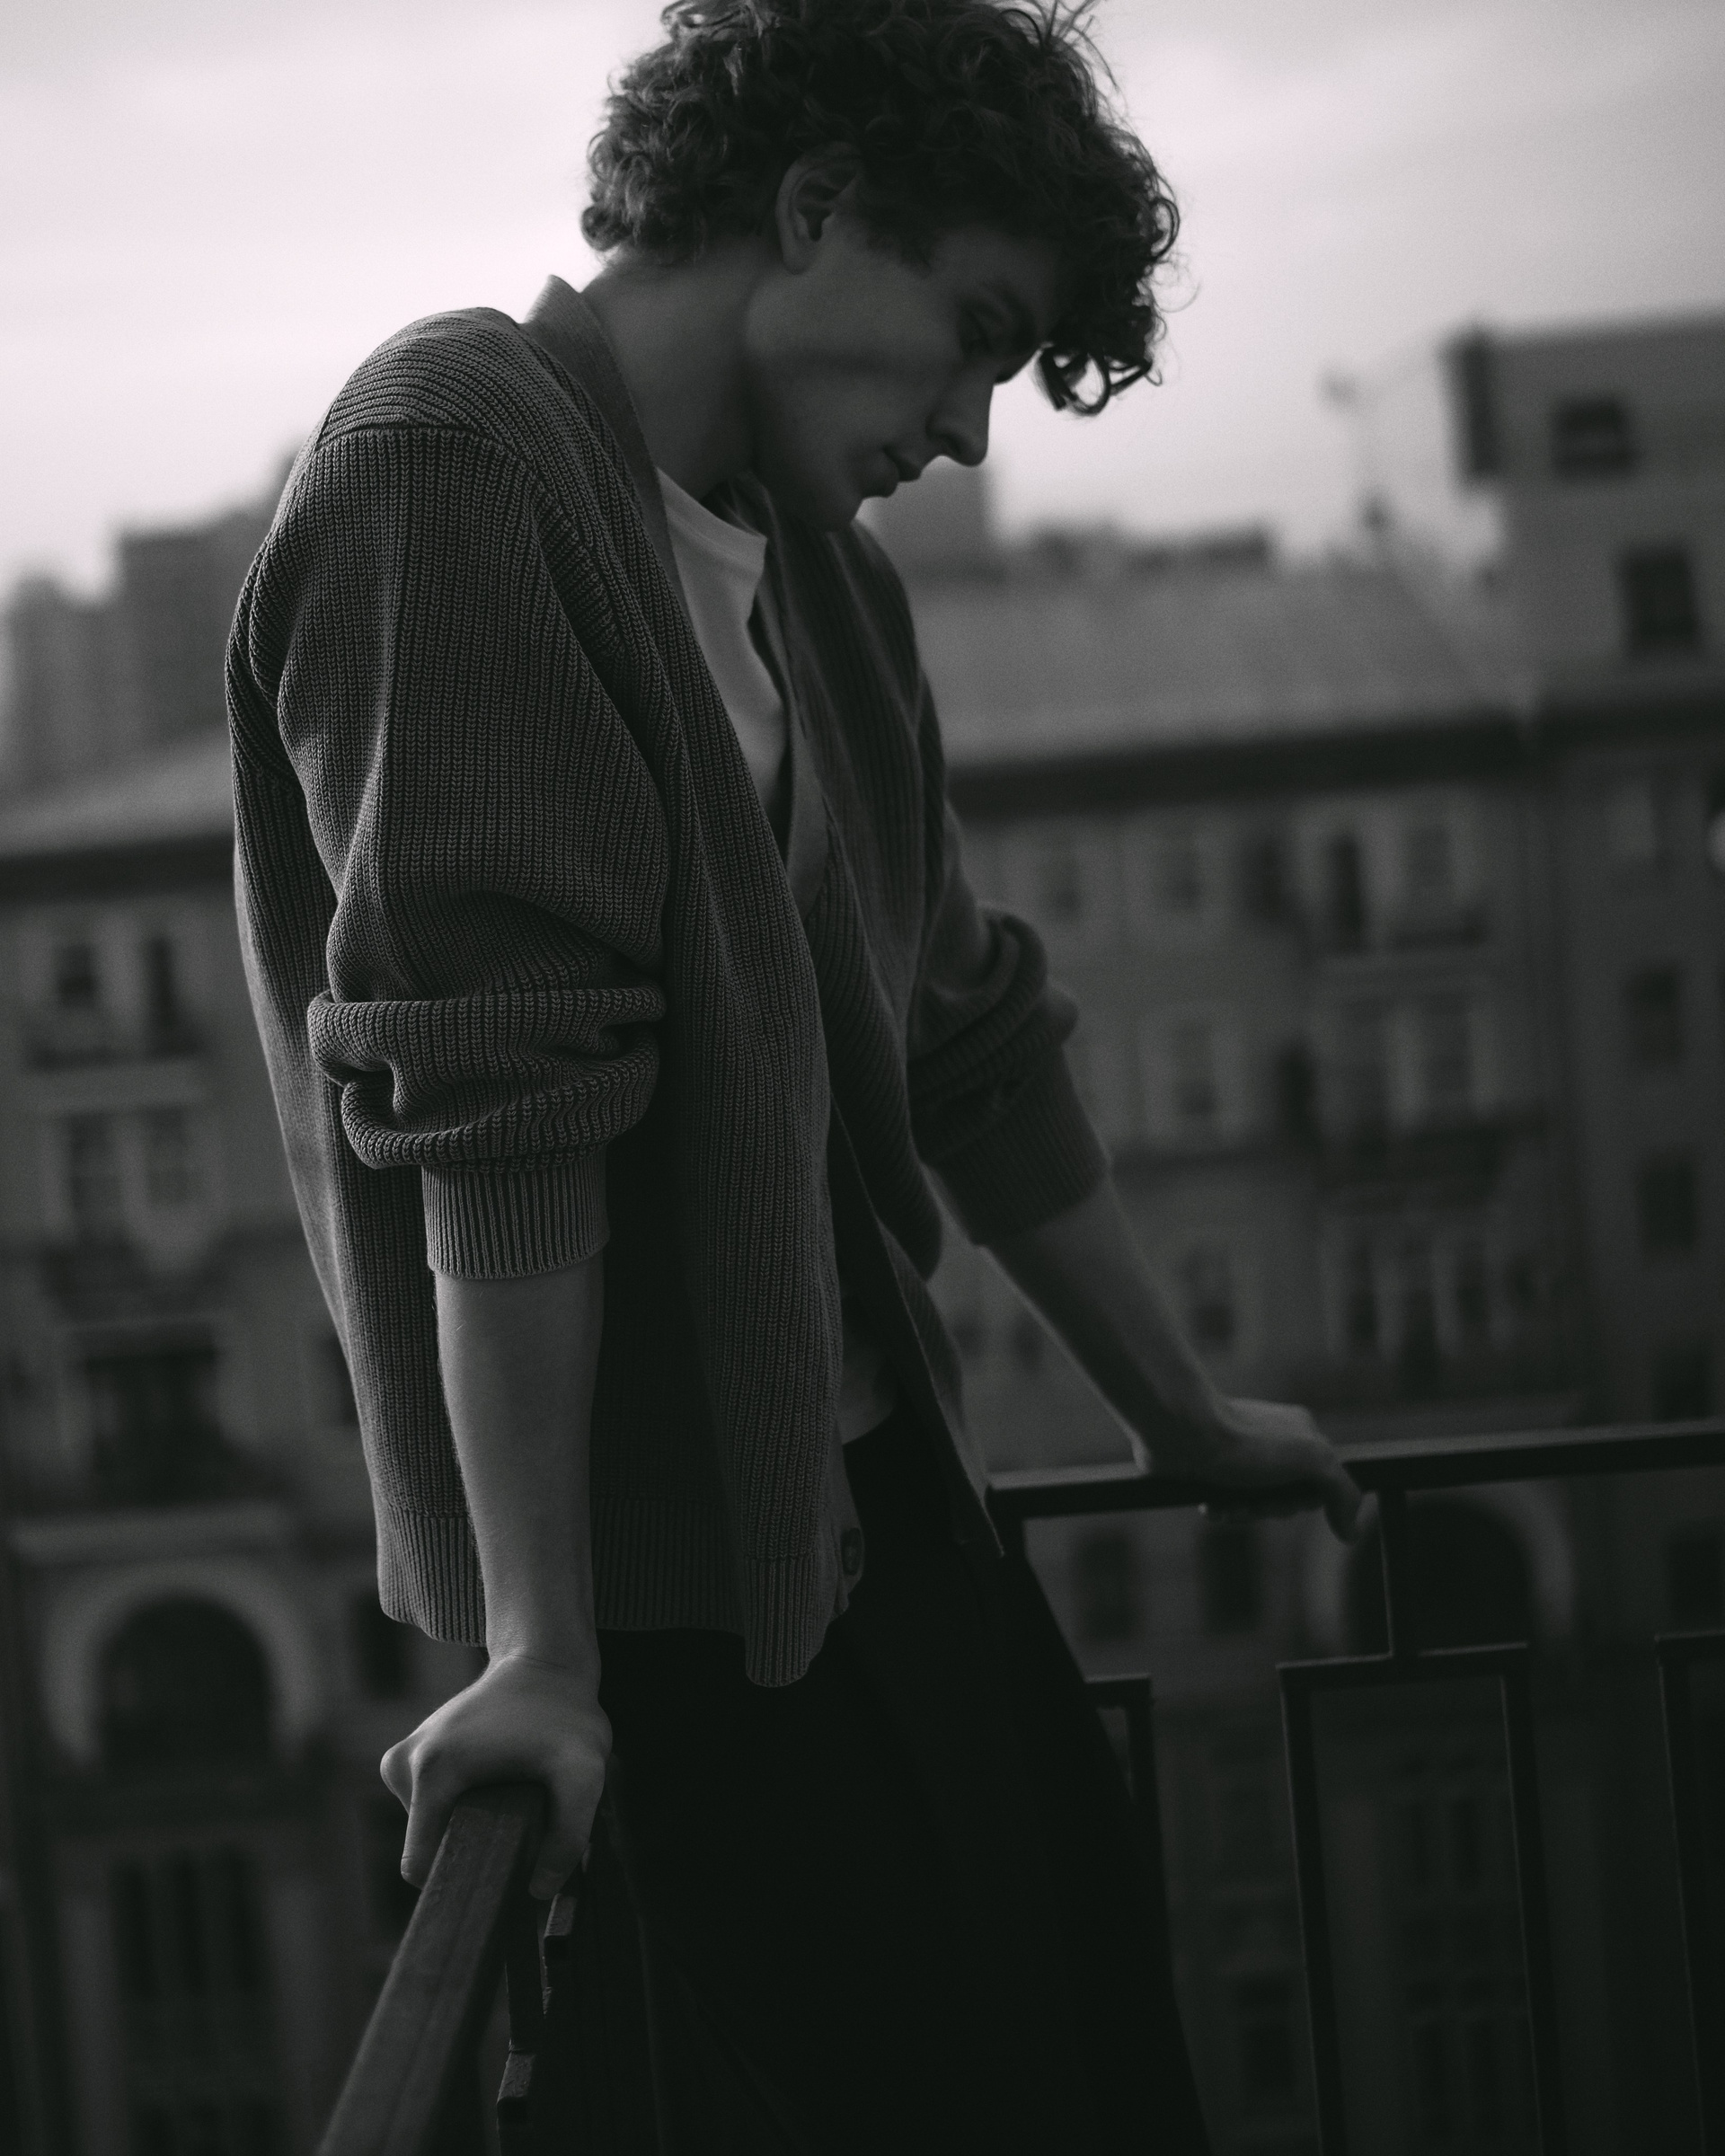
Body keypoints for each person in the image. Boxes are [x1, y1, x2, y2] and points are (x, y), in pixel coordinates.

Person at [228, 2, 1362, 2146]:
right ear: (818, 203)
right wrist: (545, 1650)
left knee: (1098, 2074)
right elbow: (500, 1113)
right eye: (974, 339)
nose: (972, 433)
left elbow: (965, 1031)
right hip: (676, 1621)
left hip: (882, 1512)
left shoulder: (814, 574)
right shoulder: (454, 457)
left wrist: (1182, 1414)